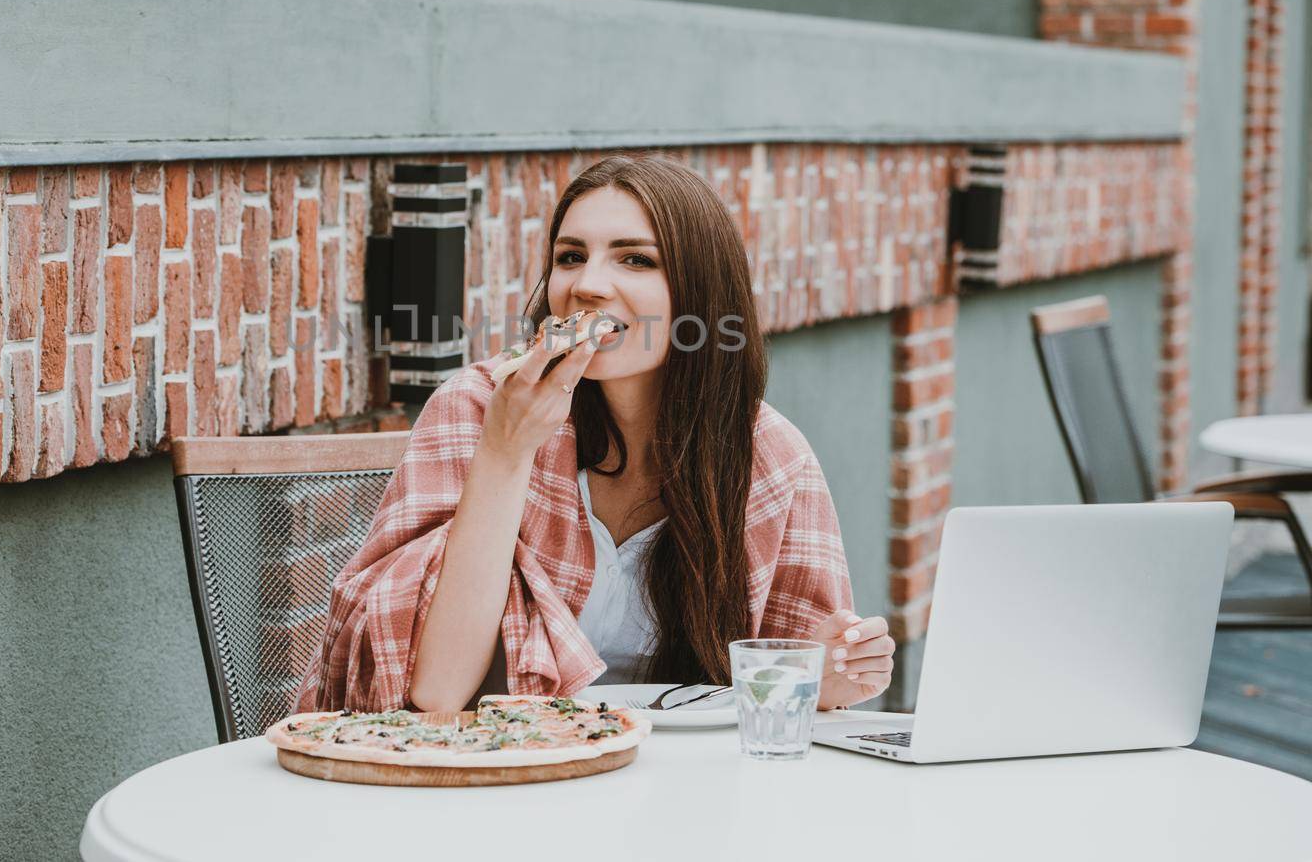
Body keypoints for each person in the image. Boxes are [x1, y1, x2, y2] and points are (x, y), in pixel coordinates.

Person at [295, 154, 893, 714]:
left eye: (635, 259)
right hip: (495, 779)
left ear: (700, 295)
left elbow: (780, 694)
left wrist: (828, 676)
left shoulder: (769, 455)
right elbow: (436, 690)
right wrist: (507, 449)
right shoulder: (479, 408)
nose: (587, 285)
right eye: (570, 257)